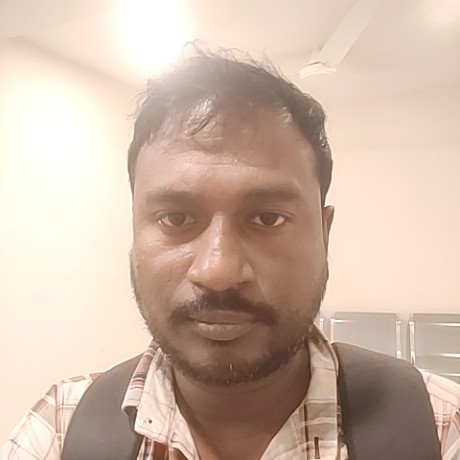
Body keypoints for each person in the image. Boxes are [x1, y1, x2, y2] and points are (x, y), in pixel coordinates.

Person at [2, 49, 460, 460]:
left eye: (267, 218)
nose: (218, 271)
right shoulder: (59, 430)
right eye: (176, 218)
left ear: (324, 234)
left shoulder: (441, 429)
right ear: (134, 234)